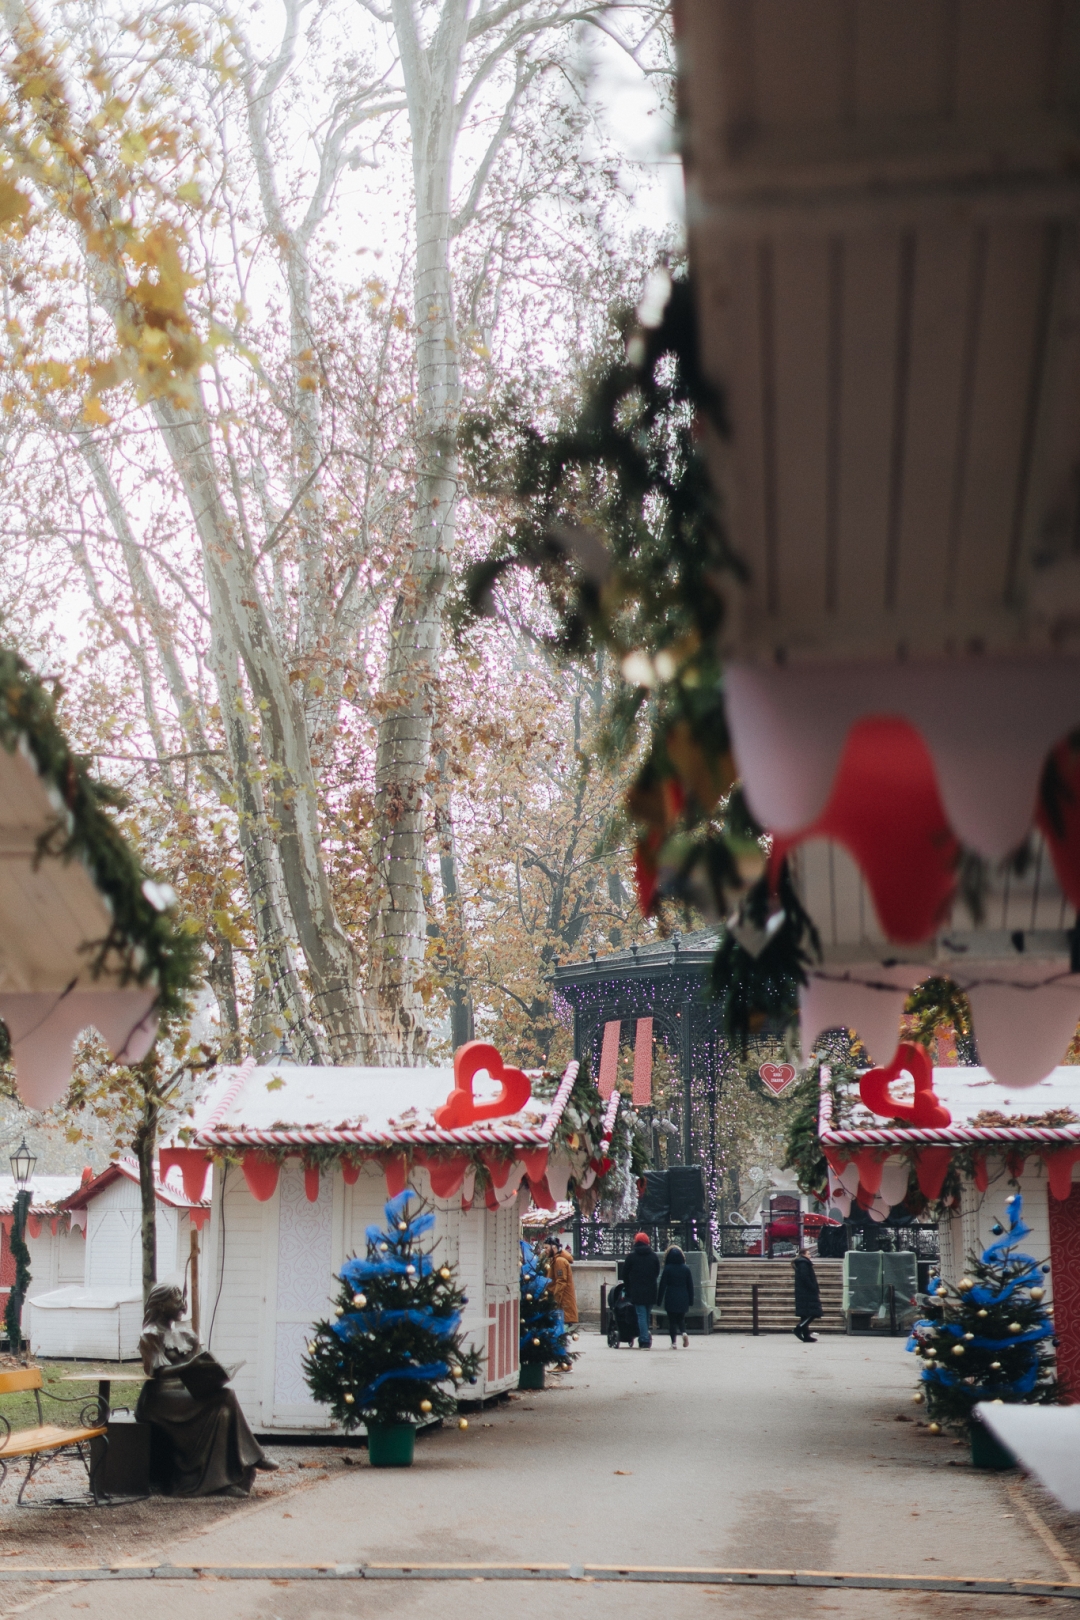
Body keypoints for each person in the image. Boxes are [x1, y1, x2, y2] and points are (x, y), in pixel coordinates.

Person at [135, 1282, 278, 1497]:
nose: (182, 1303)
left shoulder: (187, 1336)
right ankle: (256, 1456)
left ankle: (224, 1482)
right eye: (176, 1299)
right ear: (161, 1305)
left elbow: (200, 1366)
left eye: (182, 1298)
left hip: (187, 1392)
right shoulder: (151, 1333)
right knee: (225, 1397)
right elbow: (157, 1371)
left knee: (223, 1411)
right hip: (160, 1398)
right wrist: (190, 1366)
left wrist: (214, 1372)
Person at [622, 1231, 660, 1349]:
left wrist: (629, 1287)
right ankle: (645, 1336)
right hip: (650, 1290)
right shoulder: (653, 1256)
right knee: (647, 1315)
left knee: (641, 1315)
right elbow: (657, 1272)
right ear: (647, 1242)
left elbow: (625, 1274)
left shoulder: (631, 1257)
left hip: (637, 1290)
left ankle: (644, 1340)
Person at [656, 1244, 695, 1347]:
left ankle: (673, 1342)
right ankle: (684, 1332)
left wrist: (659, 1300)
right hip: (683, 1296)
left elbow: (662, 1285)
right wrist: (691, 1300)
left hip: (671, 1296)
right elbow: (690, 1285)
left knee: (672, 1321)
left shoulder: (667, 1269)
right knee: (681, 1318)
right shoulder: (686, 1269)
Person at [548, 1240, 579, 1332]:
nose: (544, 1250)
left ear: (553, 1248)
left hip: (562, 1305)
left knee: (559, 1334)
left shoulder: (559, 1261)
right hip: (563, 1304)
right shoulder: (556, 1259)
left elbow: (561, 1282)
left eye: (546, 1248)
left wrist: (555, 1301)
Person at [793, 1251, 823, 1342]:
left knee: (805, 1314)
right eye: (808, 1254)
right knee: (813, 1313)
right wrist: (813, 1287)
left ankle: (806, 1335)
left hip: (803, 1291)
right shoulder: (803, 1263)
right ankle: (799, 1328)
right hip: (806, 1292)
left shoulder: (803, 1263)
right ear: (804, 1254)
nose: (810, 1255)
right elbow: (805, 1277)